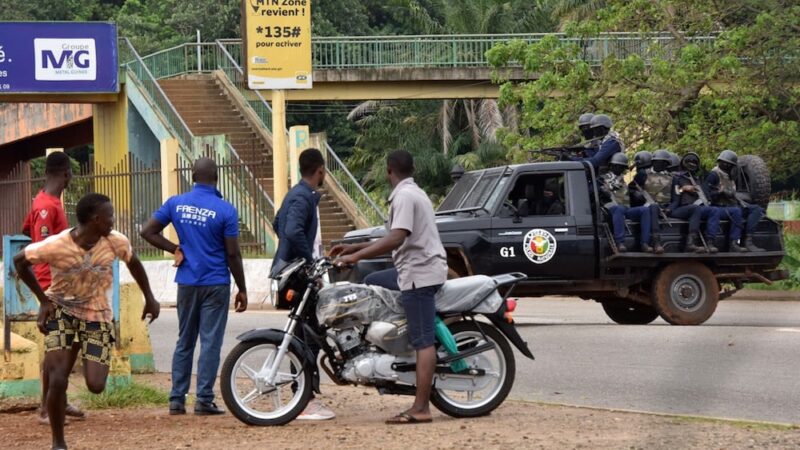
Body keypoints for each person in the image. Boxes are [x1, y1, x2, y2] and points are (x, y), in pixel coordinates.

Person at [14, 193, 160, 450]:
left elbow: (134, 263)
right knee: (58, 378)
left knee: (95, 385)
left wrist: (150, 298)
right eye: (110, 216)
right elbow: (19, 261)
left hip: (97, 315)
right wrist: (43, 301)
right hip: (61, 310)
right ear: (96, 220)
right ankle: (58, 443)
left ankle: (74, 348)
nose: (113, 221)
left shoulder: (116, 242)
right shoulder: (56, 244)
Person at [331, 150, 447, 425]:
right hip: (414, 270)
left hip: (420, 275)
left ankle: (421, 408)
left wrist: (355, 257)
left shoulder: (405, 196)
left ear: (388, 171)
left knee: (423, 341)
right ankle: (389, 344)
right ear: (412, 169)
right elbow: (393, 233)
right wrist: (354, 246)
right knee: (371, 283)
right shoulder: (413, 192)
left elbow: (396, 237)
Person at [140, 158, 247, 417]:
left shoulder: (175, 203)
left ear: (192, 176)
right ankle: (204, 400)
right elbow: (232, 254)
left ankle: (176, 400)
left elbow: (147, 231)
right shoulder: (226, 210)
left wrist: (175, 249)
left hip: (187, 282)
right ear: (217, 178)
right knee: (210, 342)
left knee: (185, 340)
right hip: (215, 283)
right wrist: (242, 288)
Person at [20, 152, 86, 425]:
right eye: (70, 173)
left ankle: (59, 399)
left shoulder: (42, 202)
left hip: (61, 283)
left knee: (71, 341)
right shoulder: (48, 206)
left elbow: (26, 231)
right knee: (58, 347)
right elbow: (45, 246)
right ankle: (48, 408)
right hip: (53, 285)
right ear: (65, 173)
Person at [270, 148, 335, 420]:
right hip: (299, 275)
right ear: (320, 170)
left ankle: (304, 394)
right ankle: (304, 398)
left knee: (305, 333)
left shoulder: (296, 194)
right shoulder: (302, 197)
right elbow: (291, 230)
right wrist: (308, 260)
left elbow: (278, 224)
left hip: (293, 271)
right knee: (306, 336)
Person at [599, 153, 663, 253]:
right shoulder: (603, 178)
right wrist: (604, 190)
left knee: (645, 210)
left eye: (621, 167)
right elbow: (599, 192)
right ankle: (620, 242)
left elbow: (628, 191)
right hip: (611, 209)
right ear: (611, 166)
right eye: (617, 166)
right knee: (619, 209)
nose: (619, 169)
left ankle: (645, 243)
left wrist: (635, 193)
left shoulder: (622, 179)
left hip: (625, 208)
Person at [705, 150, 764, 252]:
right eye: (723, 163)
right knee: (736, 212)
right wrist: (720, 192)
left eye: (729, 164)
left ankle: (748, 241)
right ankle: (733, 243)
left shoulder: (730, 177)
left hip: (732, 205)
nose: (726, 165)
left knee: (757, 210)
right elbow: (707, 195)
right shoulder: (714, 175)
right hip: (719, 207)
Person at [669, 153, 721, 253]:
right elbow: (674, 196)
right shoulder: (676, 177)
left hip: (696, 208)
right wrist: (683, 189)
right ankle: (690, 243)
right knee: (694, 208)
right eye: (689, 162)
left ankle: (710, 242)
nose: (692, 164)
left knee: (714, 210)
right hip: (680, 208)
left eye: (694, 162)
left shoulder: (698, 179)